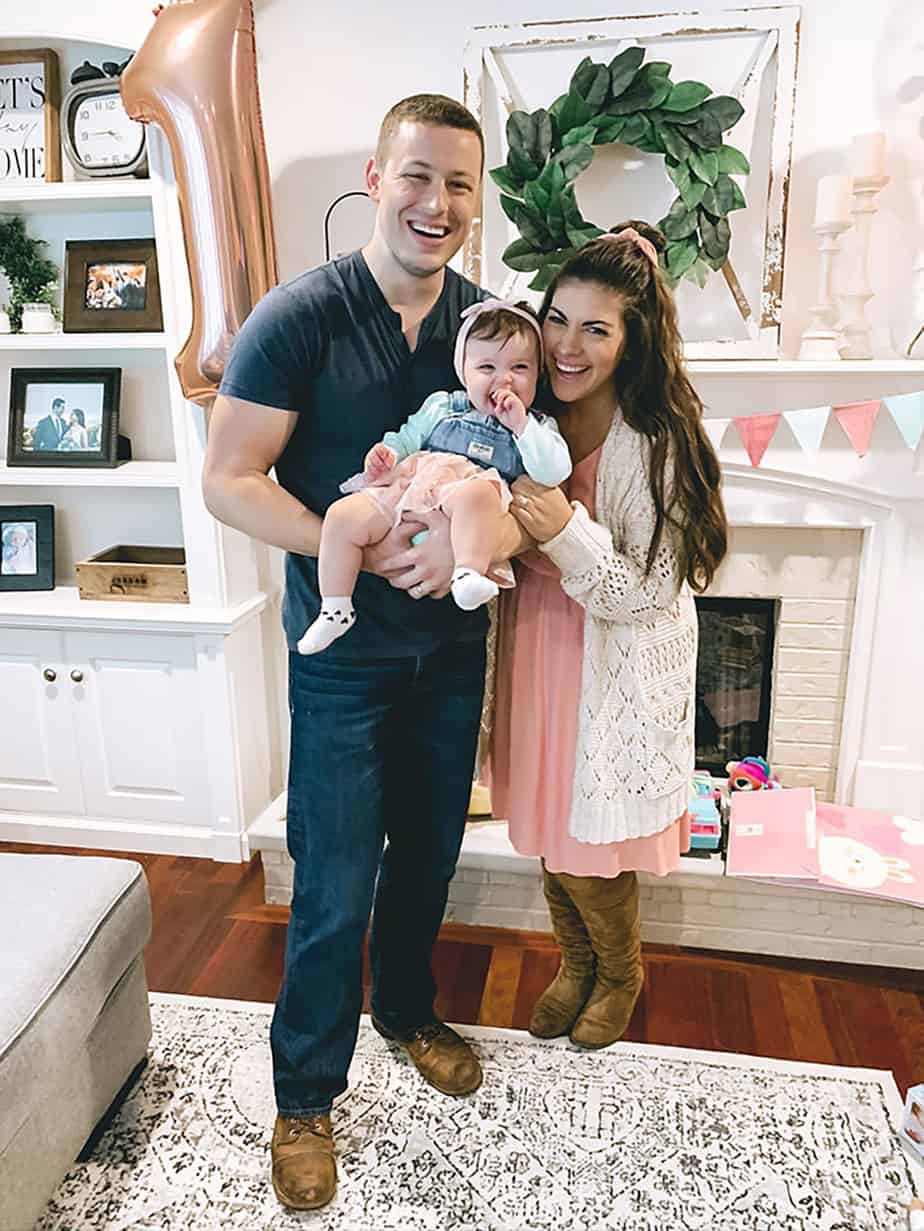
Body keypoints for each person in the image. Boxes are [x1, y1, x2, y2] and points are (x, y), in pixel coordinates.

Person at [202, 94, 526, 1212]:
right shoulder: (297, 318)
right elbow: (228, 480)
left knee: (430, 854)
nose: (437, 204)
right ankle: (303, 1096)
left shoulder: (491, 325)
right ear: (377, 176)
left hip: (452, 652)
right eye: (418, 176)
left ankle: (406, 1011)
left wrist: (490, 541)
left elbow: (529, 484)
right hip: (340, 654)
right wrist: (370, 553)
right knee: (333, 881)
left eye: (460, 186)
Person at [487, 223, 728, 1050]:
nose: (567, 344)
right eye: (558, 318)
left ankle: (620, 970)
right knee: (553, 831)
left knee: (596, 846)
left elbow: (650, 592)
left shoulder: (656, 441)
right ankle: (575, 962)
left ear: (633, 341)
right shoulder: (525, 416)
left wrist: (563, 527)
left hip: (609, 664)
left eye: (597, 328)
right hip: (537, 650)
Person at [298, 299, 571, 654]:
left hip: (470, 501)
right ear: (463, 371)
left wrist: (520, 425)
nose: (504, 379)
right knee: (341, 516)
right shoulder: (443, 405)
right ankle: (335, 607)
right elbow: (408, 437)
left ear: (537, 375)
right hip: (414, 487)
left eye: (520, 367)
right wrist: (386, 456)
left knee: (478, 494)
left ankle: (467, 574)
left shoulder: (537, 426)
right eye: (486, 366)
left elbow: (554, 471)